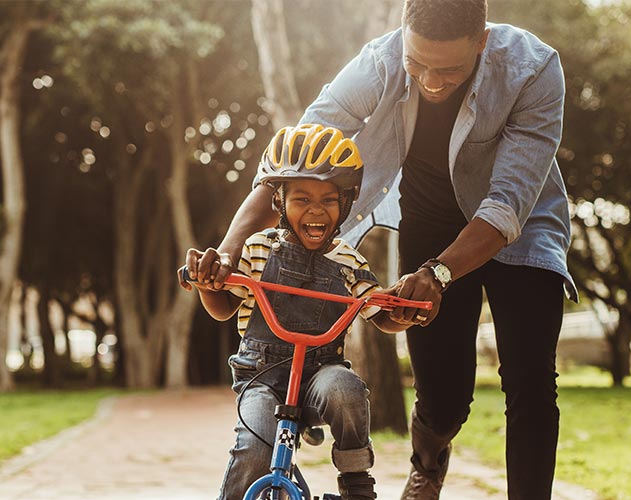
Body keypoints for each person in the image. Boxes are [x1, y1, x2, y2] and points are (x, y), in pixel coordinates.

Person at [199, 1, 579, 499]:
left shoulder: (534, 68)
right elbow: (297, 159)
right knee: (444, 400)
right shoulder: (379, 62)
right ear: (403, 35)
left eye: (450, 69)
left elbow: (506, 205)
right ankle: (429, 461)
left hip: (522, 226)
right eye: (418, 63)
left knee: (530, 382)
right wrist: (229, 249)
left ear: (482, 41)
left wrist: (440, 274)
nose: (432, 82)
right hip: (431, 224)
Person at [184, 124, 415, 500]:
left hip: (319, 377)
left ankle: (357, 484)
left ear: (346, 202)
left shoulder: (348, 261)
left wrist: (400, 311)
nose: (315, 210)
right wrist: (210, 285)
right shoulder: (259, 248)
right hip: (261, 377)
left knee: (346, 389)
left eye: (328, 199)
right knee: (256, 446)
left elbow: (379, 311)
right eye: (301, 199)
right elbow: (224, 308)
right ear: (279, 201)